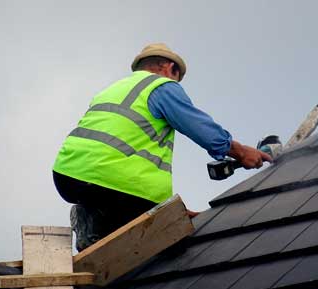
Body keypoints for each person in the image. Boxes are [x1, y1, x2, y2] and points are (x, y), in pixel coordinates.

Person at [52, 43, 272, 251]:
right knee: (173, 246)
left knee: (127, 226)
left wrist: (171, 210)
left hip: (68, 176)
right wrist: (242, 153)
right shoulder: (162, 86)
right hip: (112, 182)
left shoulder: (113, 90)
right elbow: (201, 129)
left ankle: (92, 218)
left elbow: (119, 149)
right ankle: (93, 220)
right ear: (169, 67)